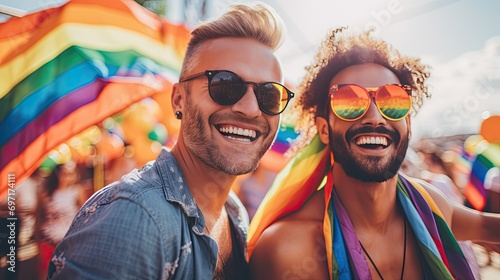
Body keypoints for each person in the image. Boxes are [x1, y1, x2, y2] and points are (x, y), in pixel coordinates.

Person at [48, 2, 294, 279]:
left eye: (270, 95)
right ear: (179, 99)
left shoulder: (234, 213)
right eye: (225, 85)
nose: (250, 109)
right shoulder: (134, 218)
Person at [248, 28, 500, 279]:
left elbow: (489, 226)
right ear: (324, 129)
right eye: (349, 102)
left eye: (392, 101)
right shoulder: (286, 251)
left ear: (408, 125)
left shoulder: (430, 208)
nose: (375, 117)